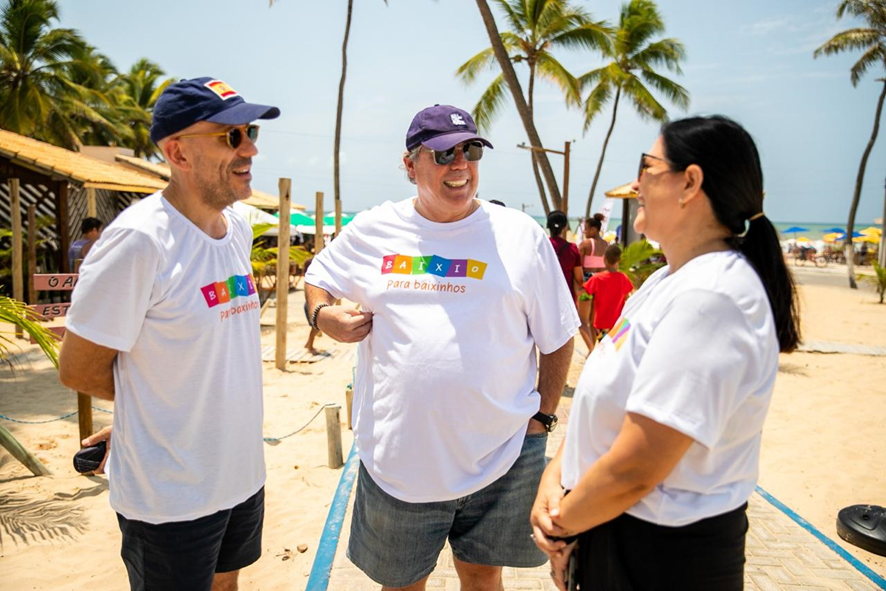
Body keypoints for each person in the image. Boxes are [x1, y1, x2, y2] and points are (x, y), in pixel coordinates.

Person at [304, 104, 579, 591]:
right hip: (399, 462)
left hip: (505, 455)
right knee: (403, 584)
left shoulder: (520, 236)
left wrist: (543, 420)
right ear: (410, 166)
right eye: (442, 153)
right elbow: (318, 278)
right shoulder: (372, 230)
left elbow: (558, 336)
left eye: (470, 150)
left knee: (482, 576)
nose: (460, 164)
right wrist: (323, 316)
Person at [530, 115, 801, 590]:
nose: (637, 184)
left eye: (647, 167)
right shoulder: (666, 279)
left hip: (662, 556)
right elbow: (607, 409)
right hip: (613, 529)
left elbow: (639, 466)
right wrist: (554, 479)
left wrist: (561, 523)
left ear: (690, 182)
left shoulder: (712, 296)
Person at [58, 77, 280, 591]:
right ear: (177, 152)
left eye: (249, 132)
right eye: (231, 137)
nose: (250, 148)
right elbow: (79, 368)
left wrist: (156, 407)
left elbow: (195, 355)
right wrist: (151, 413)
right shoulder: (140, 241)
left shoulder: (237, 228)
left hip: (242, 474)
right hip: (170, 496)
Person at [582, 244, 634, 352]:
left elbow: (584, 292)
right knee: (616, 352)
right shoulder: (623, 278)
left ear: (604, 259)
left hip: (601, 325)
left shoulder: (597, 279)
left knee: (603, 352)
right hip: (619, 325)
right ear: (619, 259)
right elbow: (628, 297)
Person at [576, 213, 608, 352]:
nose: (584, 232)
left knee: (582, 321)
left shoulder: (586, 244)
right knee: (593, 321)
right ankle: (593, 349)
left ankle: (591, 350)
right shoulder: (607, 244)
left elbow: (576, 265)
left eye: (586, 229)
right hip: (601, 283)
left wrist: (577, 285)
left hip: (587, 284)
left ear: (594, 230)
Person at [547, 210, 583, 305]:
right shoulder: (572, 249)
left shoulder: (542, 246)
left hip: (545, 296)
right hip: (567, 298)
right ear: (565, 227)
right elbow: (579, 278)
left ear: (548, 226)